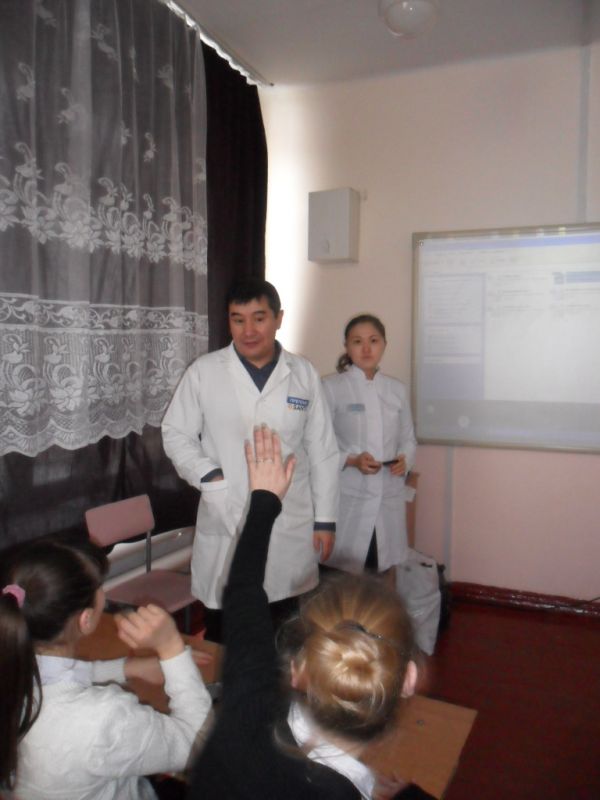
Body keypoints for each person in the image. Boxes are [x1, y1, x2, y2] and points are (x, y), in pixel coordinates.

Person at [189, 424, 422, 800]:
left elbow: (244, 593)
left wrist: (264, 500)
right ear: (408, 679)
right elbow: (243, 597)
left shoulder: (248, 701)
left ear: (297, 669)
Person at [161, 278, 339, 623]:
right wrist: (209, 475)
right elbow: (175, 432)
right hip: (228, 512)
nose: (248, 330)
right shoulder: (204, 372)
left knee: (284, 625)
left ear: (279, 318)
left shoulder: (303, 373)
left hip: (290, 519)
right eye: (237, 319)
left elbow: (323, 450)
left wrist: (325, 519)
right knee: (226, 627)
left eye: (259, 318)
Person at [0, 537, 213, 800]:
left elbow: (56, 681)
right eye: (100, 586)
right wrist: (171, 647)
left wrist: (127, 667)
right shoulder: (104, 718)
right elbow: (196, 743)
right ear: (86, 620)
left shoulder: (12, 664)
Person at [322, 314, 417, 575]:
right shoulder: (330, 387)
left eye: (373, 341)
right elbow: (318, 444)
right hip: (349, 494)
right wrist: (351, 460)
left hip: (388, 495)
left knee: (382, 571)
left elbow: (408, 439)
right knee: (343, 576)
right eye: (357, 341)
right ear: (346, 346)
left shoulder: (397, 389)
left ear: (384, 344)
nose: (366, 349)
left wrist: (404, 459)